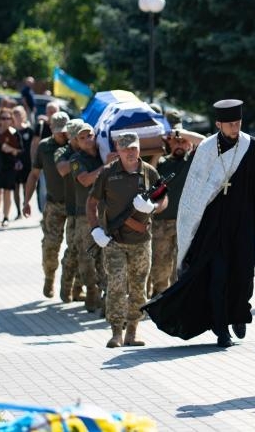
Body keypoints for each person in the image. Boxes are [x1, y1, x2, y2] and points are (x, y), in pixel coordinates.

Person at [143, 99, 255, 348]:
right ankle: (221, 329)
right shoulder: (207, 149)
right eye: (229, 123)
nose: (235, 127)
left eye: (238, 122)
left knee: (243, 276)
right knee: (217, 277)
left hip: (243, 223)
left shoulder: (250, 146)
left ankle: (239, 314)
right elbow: (195, 190)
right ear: (218, 124)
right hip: (212, 227)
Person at [88, 132, 167, 348]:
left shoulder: (149, 172)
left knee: (138, 287)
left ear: (139, 148)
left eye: (134, 148)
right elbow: (91, 203)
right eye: (125, 149)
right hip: (114, 241)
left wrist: (153, 207)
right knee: (116, 285)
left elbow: (164, 198)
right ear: (118, 151)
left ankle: (132, 331)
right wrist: (95, 229)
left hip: (141, 242)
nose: (130, 153)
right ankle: (116, 332)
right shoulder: (107, 173)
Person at [147, 125, 203, 297]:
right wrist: (159, 149)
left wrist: (180, 133)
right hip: (161, 223)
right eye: (175, 142)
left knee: (182, 264)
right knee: (160, 264)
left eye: (183, 142)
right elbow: (149, 176)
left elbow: (204, 141)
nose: (179, 145)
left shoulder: (192, 162)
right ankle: (160, 297)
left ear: (189, 145)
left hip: (185, 223)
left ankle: (179, 298)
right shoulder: (162, 163)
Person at [23, 112, 70, 298]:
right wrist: (26, 201)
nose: (62, 135)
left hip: (76, 205)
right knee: (50, 245)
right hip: (54, 204)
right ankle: (49, 278)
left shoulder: (75, 145)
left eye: (64, 131)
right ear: (51, 129)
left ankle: (70, 285)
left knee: (76, 247)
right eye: (58, 132)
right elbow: (34, 175)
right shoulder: (44, 147)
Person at [69, 123, 111, 313]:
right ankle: (91, 291)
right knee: (86, 258)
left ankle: (105, 298)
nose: (87, 140)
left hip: (105, 213)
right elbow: (85, 179)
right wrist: (107, 166)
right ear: (76, 141)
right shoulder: (76, 159)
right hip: (85, 215)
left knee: (105, 257)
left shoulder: (104, 153)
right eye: (82, 137)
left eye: (90, 135)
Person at [55, 120, 86, 302]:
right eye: (78, 137)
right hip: (73, 210)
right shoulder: (63, 152)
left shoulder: (90, 151)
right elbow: (62, 169)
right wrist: (78, 156)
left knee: (87, 252)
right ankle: (66, 288)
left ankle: (78, 288)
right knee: (73, 251)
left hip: (88, 209)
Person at [0, 108, 22, 227]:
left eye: (8, 118)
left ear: (11, 120)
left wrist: (12, 150)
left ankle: (6, 217)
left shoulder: (15, 133)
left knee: (7, 192)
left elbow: (21, 151)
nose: (5, 121)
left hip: (10, 166)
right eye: (2, 118)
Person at [12, 105, 34, 220]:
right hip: (14, 163)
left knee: (27, 186)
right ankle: (18, 212)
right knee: (15, 188)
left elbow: (33, 147)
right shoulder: (11, 132)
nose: (17, 117)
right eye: (15, 115)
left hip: (27, 163)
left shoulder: (29, 131)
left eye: (19, 114)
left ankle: (26, 206)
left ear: (24, 115)